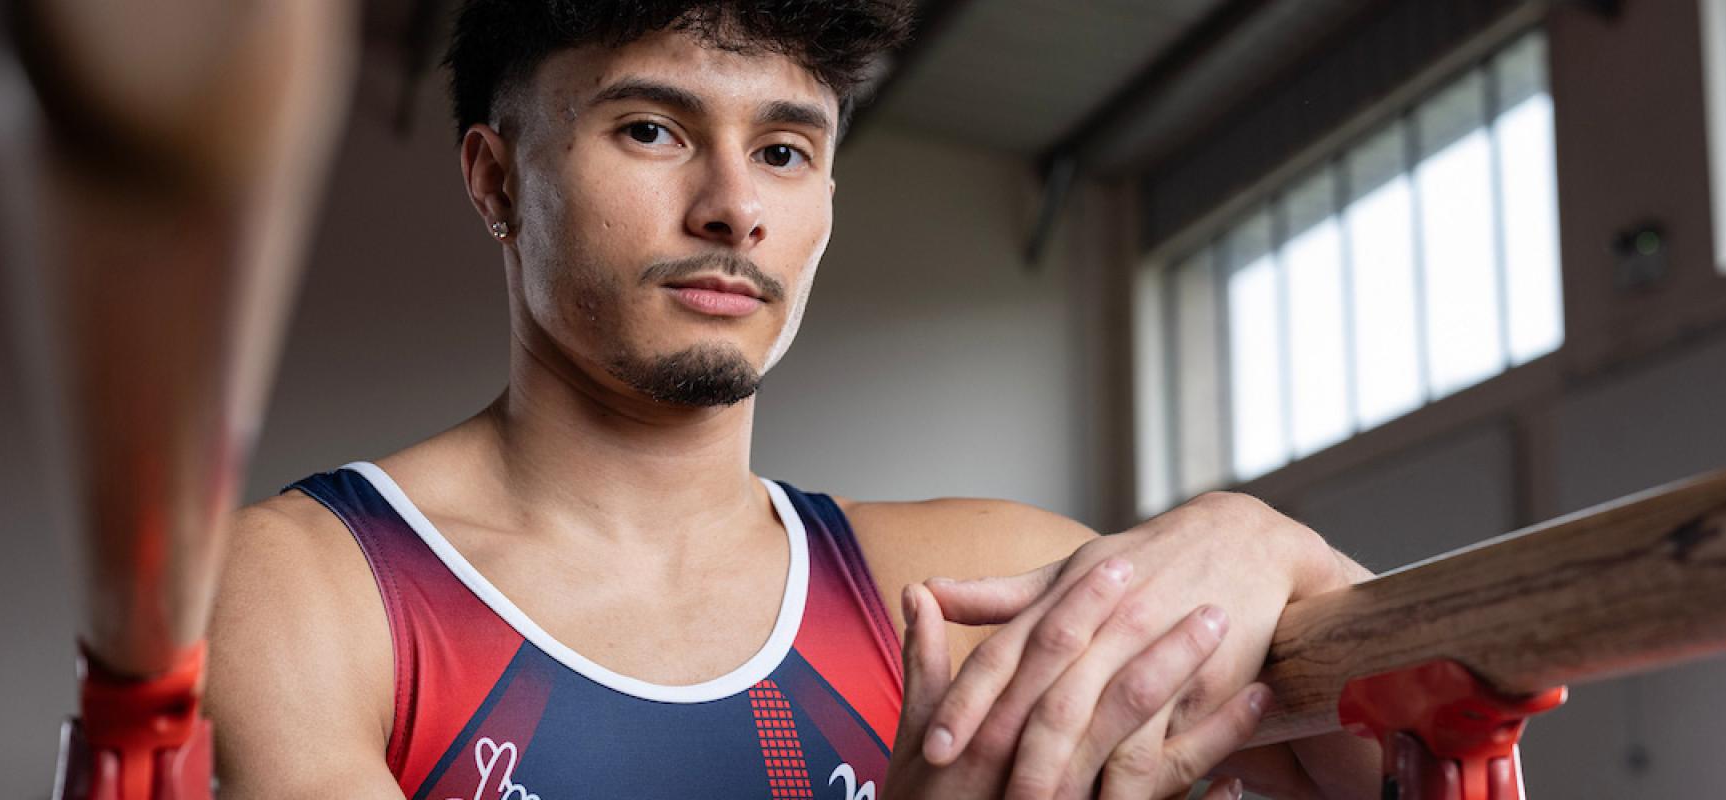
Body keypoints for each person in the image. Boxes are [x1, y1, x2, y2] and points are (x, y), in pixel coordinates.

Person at [203, 2, 1381, 798]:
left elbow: (1402, 750)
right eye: (653, 128)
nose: (734, 209)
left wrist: (1273, 550)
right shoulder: (314, 586)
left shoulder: (981, 585)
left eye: (782, 150)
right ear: (496, 176)